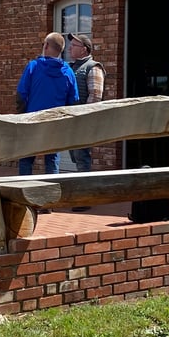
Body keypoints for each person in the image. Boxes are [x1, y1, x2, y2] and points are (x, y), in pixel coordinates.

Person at [15, 32, 79, 175]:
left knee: (26, 160)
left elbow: (21, 95)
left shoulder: (33, 67)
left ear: (47, 45)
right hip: (54, 123)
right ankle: (52, 192)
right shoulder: (68, 72)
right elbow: (74, 100)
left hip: (32, 121)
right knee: (52, 160)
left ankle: (25, 193)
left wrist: (22, 115)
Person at [66, 33, 105, 211]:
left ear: (84, 49)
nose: (69, 48)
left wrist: (83, 119)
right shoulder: (72, 67)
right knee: (76, 157)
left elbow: (95, 97)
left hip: (83, 121)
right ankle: (81, 195)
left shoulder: (93, 67)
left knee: (82, 158)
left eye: (74, 45)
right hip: (72, 120)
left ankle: (84, 198)